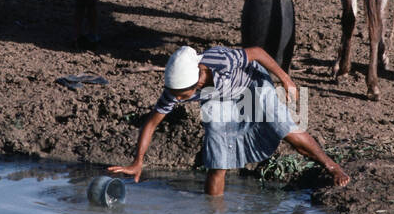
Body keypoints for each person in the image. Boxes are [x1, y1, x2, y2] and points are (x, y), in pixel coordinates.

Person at [109, 43, 350, 196]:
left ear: (198, 81)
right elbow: (152, 122)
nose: (179, 100)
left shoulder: (221, 61)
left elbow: (257, 53)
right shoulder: (175, 90)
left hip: (251, 84)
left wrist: (285, 80)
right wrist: (137, 162)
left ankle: (331, 166)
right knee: (217, 161)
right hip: (219, 100)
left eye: (184, 95)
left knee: (285, 128)